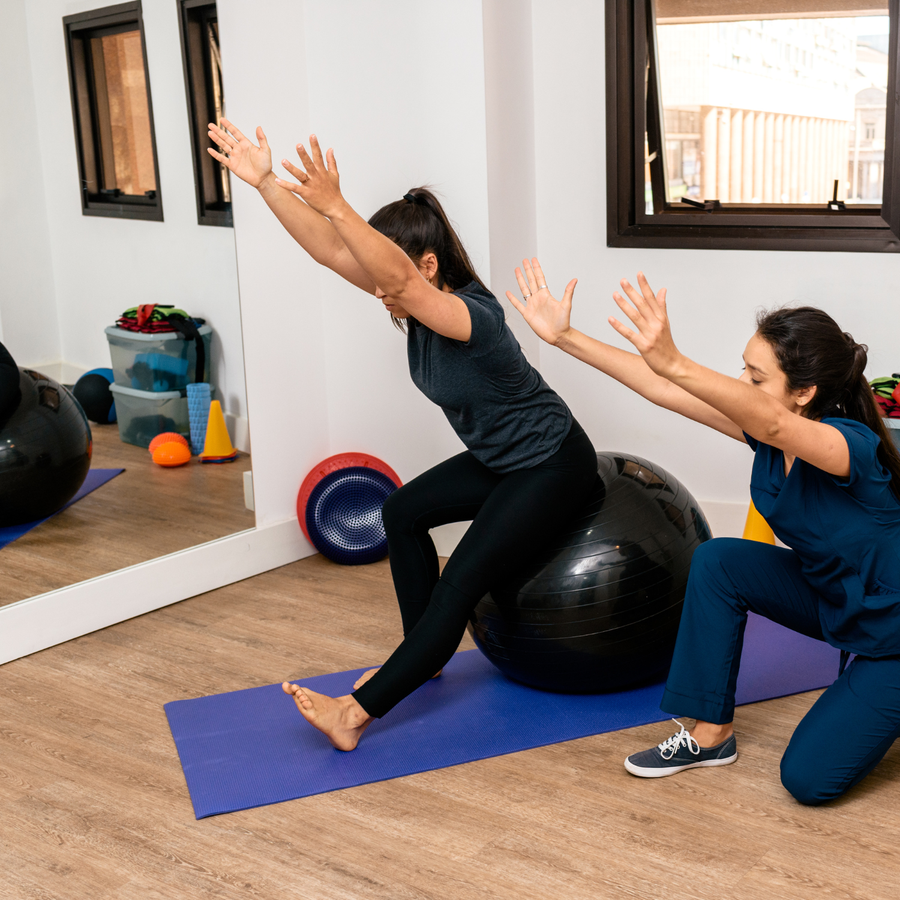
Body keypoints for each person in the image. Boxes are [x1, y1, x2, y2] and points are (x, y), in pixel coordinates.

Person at [207, 122, 598, 751]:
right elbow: (331, 252)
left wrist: (337, 203)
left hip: (552, 465)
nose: (374, 286)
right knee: (402, 509)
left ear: (427, 265)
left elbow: (392, 277)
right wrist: (266, 185)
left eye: (387, 273)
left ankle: (356, 715)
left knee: (461, 581)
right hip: (502, 461)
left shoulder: (473, 316)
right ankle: (425, 655)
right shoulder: (408, 299)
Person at [509, 258, 900, 805]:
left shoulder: (846, 445)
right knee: (720, 562)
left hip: (894, 633)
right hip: (837, 602)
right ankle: (709, 733)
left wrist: (675, 360)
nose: (740, 384)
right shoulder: (770, 442)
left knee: (808, 779)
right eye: (744, 369)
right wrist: (565, 338)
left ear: (805, 392)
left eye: (755, 377)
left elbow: (773, 422)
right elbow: (661, 389)